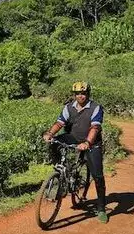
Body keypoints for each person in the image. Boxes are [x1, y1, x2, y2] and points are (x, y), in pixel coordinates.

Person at [42, 81, 108, 224]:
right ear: (74, 95)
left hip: (91, 142)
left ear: (88, 94)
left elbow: (95, 128)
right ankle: (61, 170)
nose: (80, 96)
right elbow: (60, 123)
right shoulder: (69, 107)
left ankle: (101, 208)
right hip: (74, 137)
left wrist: (87, 143)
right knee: (55, 141)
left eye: (83, 93)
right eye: (77, 93)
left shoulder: (96, 108)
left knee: (98, 176)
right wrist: (50, 133)